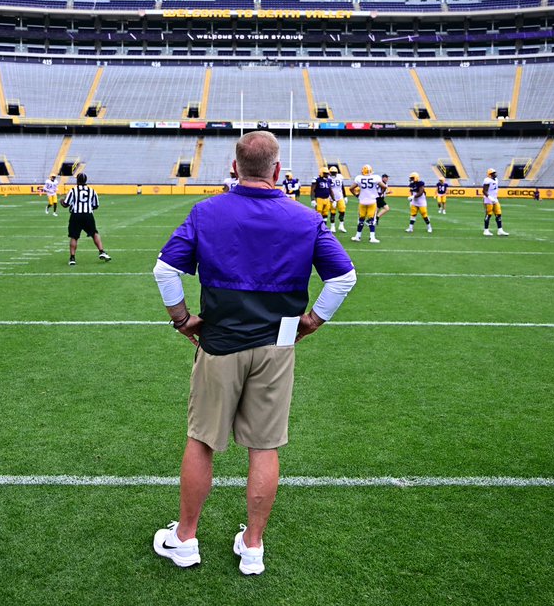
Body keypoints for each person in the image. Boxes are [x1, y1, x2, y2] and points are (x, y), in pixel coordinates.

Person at [151, 131, 357, 576]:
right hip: (277, 344)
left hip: (221, 341)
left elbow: (165, 270)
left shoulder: (208, 211)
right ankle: (253, 546)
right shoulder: (304, 217)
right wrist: (313, 320)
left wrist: (183, 319)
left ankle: (185, 539)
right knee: (264, 446)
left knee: (203, 440)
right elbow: (343, 278)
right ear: (278, 170)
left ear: (235, 166)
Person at [62, 172, 111, 265]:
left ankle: (72, 258)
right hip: (88, 215)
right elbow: (96, 205)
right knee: (94, 233)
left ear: (77, 180)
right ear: (85, 180)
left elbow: (66, 204)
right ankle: (102, 251)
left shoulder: (73, 190)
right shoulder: (92, 191)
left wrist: (61, 201)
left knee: (74, 236)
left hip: (76, 215)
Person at [350, 164, 384, 243]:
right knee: (372, 219)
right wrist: (379, 194)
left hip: (362, 201)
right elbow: (384, 187)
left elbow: (351, 188)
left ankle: (358, 236)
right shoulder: (375, 177)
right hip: (372, 201)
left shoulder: (359, 178)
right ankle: (372, 237)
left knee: (361, 219)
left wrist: (356, 195)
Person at [482, 168, 509, 236]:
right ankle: (486, 230)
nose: (495, 174)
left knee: (499, 214)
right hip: (488, 199)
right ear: (490, 175)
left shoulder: (496, 179)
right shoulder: (487, 180)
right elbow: (484, 191)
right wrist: (490, 198)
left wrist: (494, 198)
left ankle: (500, 230)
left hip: (495, 199)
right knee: (489, 214)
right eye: (493, 173)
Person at [328, 166, 347, 234]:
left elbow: (342, 186)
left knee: (342, 211)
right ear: (330, 172)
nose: (333, 174)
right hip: (331, 198)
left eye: (334, 172)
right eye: (332, 172)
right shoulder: (328, 178)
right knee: (333, 213)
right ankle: (332, 226)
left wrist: (345, 196)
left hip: (340, 197)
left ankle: (341, 225)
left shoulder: (340, 177)